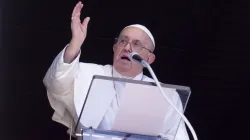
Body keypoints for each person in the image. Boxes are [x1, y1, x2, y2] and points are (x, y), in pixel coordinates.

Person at [43, 1, 190, 140]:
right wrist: (75, 42)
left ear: (149, 59)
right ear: (115, 48)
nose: (127, 48)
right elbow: (56, 83)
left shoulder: (163, 94)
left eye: (137, 44)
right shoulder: (89, 73)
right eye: (123, 41)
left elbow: (177, 135)